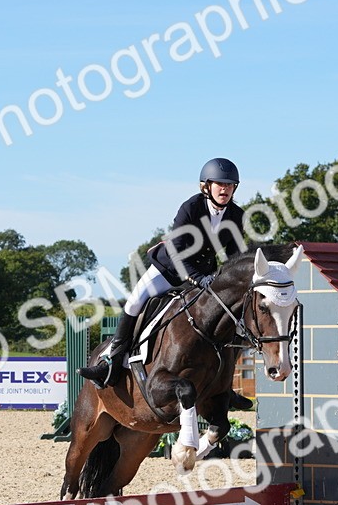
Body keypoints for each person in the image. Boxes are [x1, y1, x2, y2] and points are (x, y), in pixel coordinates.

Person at [78, 157, 247, 388]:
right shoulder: (191, 207)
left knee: (227, 314)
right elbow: (177, 251)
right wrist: (197, 278)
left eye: (229, 185)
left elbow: (234, 256)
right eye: (220, 184)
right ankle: (111, 362)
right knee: (134, 302)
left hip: (204, 275)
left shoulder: (236, 215)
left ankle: (222, 384)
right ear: (206, 186)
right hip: (168, 270)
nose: (225, 189)